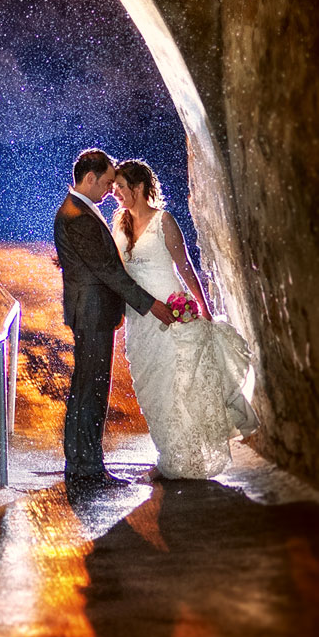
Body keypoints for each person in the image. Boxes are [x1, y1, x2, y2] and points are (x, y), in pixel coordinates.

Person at [112, 159, 259, 480]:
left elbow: (185, 266)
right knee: (151, 388)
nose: (115, 192)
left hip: (173, 312)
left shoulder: (164, 221)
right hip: (140, 320)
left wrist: (203, 307)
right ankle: (168, 450)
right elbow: (118, 272)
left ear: (138, 188)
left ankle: (181, 457)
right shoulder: (119, 224)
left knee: (178, 385)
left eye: (121, 186)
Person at [54, 149, 174, 490]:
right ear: (89, 179)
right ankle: (88, 469)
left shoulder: (77, 210)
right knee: (90, 390)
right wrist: (149, 304)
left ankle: (81, 464)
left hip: (91, 311)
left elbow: (95, 261)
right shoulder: (77, 215)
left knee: (85, 388)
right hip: (91, 314)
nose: (110, 190)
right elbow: (108, 270)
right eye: (107, 183)